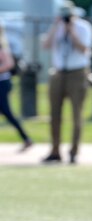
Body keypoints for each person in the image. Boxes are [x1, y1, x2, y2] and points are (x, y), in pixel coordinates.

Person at [40, 0, 92, 165]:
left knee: (76, 114)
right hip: (58, 73)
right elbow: (46, 45)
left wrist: (71, 31)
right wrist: (56, 27)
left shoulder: (83, 27)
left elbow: (83, 49)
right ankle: (55, 150)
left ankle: (74, 151)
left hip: (77, 73)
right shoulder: (56, 27)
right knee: (55, 114)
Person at [0, 24, 32, 152]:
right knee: (6, 112)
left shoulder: (2, 46)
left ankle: (26, 138)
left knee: (7, 112)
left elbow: (9, 64)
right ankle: (26, 138)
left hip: (2, 83)